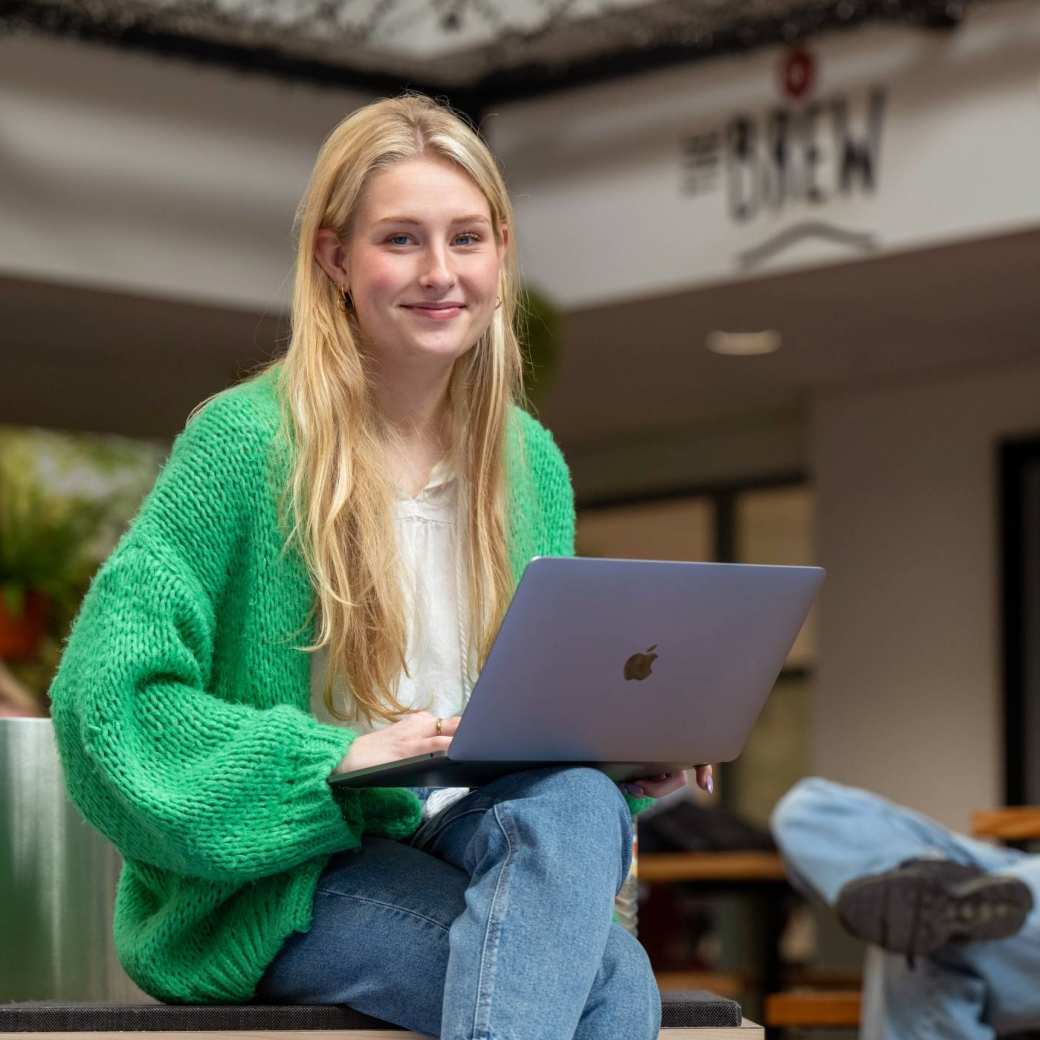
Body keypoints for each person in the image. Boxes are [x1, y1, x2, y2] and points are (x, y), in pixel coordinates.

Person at [49, 92, 711, 1038]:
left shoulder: (530, 463)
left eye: (467, 238)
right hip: (292, 873)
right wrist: (335, 760)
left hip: (468, 830)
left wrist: (619, 748)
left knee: (575, 803)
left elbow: (526, 711)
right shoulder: (244, 443)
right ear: (335, 259)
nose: (441, 273)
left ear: (501, 252)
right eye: (401, 239)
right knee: (613, 989)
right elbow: (105, 701)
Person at [771, 777, 1040, 1040]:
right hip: (1006, 868)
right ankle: (924, 875)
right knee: (806, 807)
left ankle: (931, 890)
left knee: (917, 932)